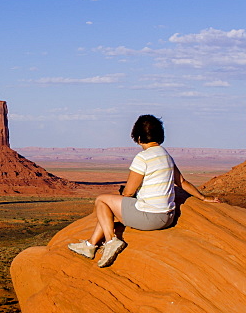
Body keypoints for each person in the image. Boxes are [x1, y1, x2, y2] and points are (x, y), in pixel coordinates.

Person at [68, 114, 219, 267]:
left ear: (138, 137)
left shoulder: (143, 157)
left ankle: (111, 242)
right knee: (108, 205)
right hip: (167, 217)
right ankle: (90, 246)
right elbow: (182, 182)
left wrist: (126, 194)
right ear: (160, 135)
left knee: (101, 200)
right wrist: (203, 197)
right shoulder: (166, 155)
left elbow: (128, 193)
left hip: (149, 218)